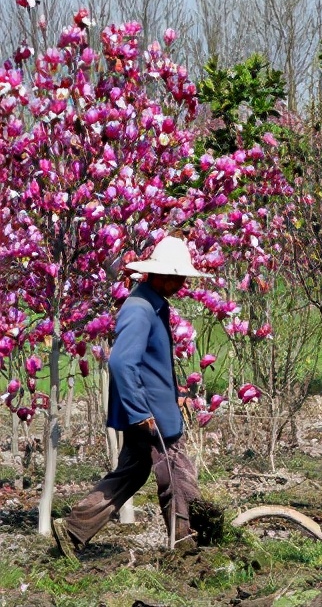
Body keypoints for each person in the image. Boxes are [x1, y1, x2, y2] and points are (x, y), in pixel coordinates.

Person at [53, 235, 210, 561]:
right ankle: (187, 548)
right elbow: (122, 362)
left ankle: (73, 530)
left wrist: (176, 393)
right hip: (150, 416)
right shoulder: (140, 309)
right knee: (178, 475)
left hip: (152, 408)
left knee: (132, 472)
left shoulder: (152, 304)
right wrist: (141, 412)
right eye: (178, 277)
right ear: (160, 275)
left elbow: (151, 363)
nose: (182, 284)